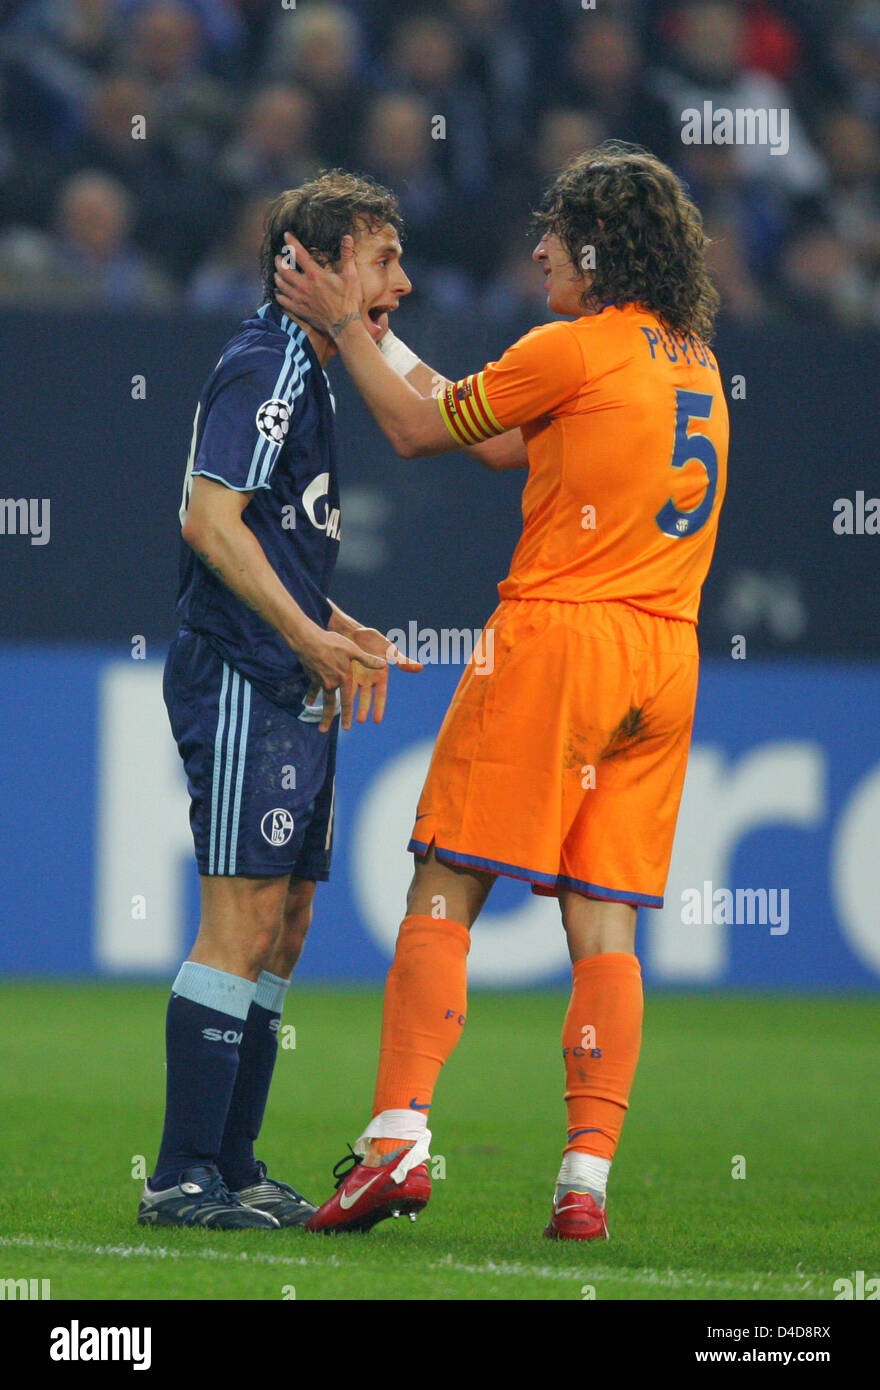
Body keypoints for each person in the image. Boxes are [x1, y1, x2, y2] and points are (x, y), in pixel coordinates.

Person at [273, 143, 729, 1240]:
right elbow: (493, 438)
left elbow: (417, 429)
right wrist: (386, 342)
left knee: (444, 881)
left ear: (592, 249)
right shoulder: (691, 360)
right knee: (604, 922)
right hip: (664, 660)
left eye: (551, 236)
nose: (534, 252)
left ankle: (395, 1142)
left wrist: (339, 326)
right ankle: (584, 1181)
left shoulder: (571, 345)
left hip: (558, 642)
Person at [138, 171, 425, 1230]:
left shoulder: (313, 370)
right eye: (381, 258)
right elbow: (209, 522)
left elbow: (272, 534)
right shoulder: (266, 362)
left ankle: (234, 1162)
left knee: (288, 924)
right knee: (240, 919)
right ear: (315, 264)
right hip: (246, 677)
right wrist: (305, 634)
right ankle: (178, 1176)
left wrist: (330, 620)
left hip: (292, 672)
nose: (401, 280)